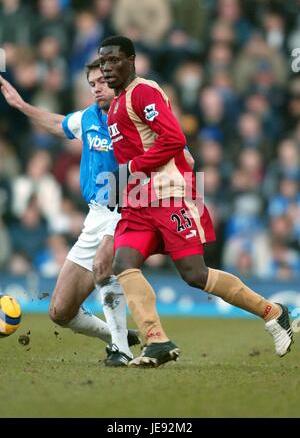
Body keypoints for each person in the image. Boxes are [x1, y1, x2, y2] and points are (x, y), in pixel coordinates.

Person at [98, 35, 294, 367]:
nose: (108, 67)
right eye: (103, 62)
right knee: (123, 263)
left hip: (168, 195)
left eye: (115, 60)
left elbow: (174, 137)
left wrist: (134, 167)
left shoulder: (143, 92)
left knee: (194, 274)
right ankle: (157, 340)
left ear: (132, 60)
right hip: (136, 201)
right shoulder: (115, 104)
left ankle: (273, 312)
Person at [0, 62, 140, 367]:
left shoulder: (132, 118)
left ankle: (121, 350)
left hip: (128, 209)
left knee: (104, 266)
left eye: (103, 81)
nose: (97, 87)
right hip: (96, 215)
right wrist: (21, 104)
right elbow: (57, 123)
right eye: (92, 83)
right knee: (60, 312)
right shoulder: (88, 118)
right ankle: (116, 336)